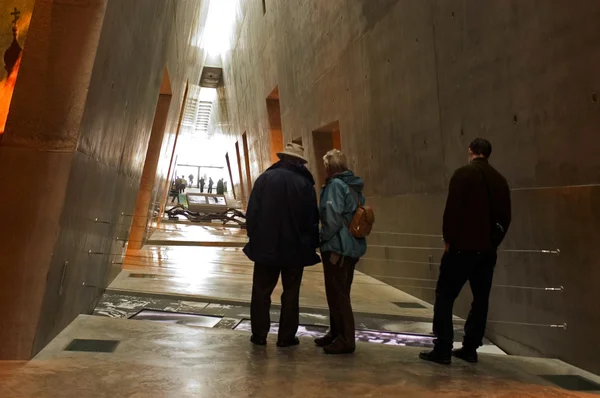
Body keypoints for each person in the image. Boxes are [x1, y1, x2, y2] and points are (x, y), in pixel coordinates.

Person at [420, 138, 511, 365]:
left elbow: (452, 211)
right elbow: (505, 218)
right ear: (488, 154)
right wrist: (493, 242)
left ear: (470, 152)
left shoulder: (462, 174)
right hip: (487, 251)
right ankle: (470, 347)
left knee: (445, 295)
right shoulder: (500, 180)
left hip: (462, 248)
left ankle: (443, 346)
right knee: (480, 299)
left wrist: (449, 241)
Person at [244, 143, 320, 347]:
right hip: (295, 249)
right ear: (298, 161)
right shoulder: (305, 185)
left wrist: (253, 235)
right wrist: (311, 245)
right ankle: (286, 337)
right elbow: (312, 219)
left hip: (265, 246)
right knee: (291, 293)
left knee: (261, 291)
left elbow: (253, 211)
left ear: (283, 158)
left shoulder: (265, 179)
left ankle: (259, 334)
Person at [314, 149, 367, 355]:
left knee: (338, 293)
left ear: (330, 167)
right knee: (338, 291)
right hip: (351, 246)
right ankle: (336, 332)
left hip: (338, 247)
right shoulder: (352, 185)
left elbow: (333, 218)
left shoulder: (335, 185)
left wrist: (322, 238)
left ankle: (345, 339)